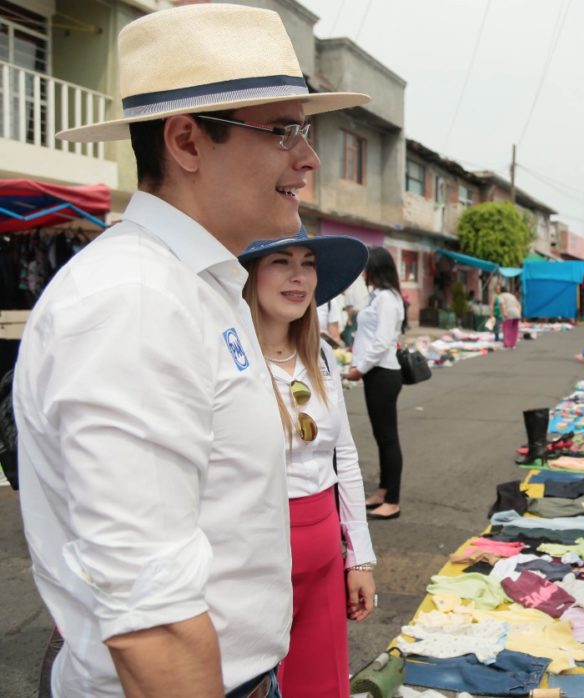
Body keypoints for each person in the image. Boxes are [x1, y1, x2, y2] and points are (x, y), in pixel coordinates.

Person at [12, 5, 371, 696]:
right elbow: (155, 624)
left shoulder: (197, 286)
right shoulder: (136, 301)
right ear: (186, 142)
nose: (309, 157)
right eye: (283, 130)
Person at [239, 230, 376, 698]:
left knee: (320, 685)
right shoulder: (229, 360)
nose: (298, 276)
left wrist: (360, 556)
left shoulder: (320, 355)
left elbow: (347, 457)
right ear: (250, 275)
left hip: (322, 549)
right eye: (280, 261)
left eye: (308, 263)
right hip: (252, 554)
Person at [346, 248, 406, 520]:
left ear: (376, 268)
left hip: (382, 373)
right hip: (375, 372)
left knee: (388, 438)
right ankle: (383, 490)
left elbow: (382, 342)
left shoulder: (386, 299)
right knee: (382, 438)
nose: (362, 271)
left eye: (365, 266)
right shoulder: (378, 296)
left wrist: (360, 368)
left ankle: (393, 501)